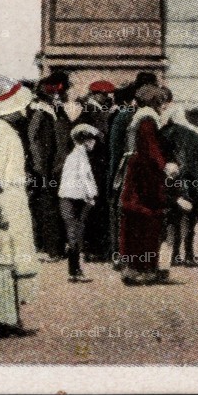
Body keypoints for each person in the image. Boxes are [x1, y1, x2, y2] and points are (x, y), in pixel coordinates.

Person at [0, 77, 39, 337]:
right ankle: (2, 318)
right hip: (4, 201)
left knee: (1, 257)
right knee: (2, 258)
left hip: (4, 199)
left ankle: (3, 316)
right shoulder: (2, 132)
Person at [117, 84, 175, 285]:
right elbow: (152, 149)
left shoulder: (138, 117)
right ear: (155, 102)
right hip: (146, 177)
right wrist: (166, 166)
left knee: (132, 223)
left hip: (135, 175)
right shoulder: (148, 119)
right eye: (161, 102)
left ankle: (131, 268)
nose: (163, 106)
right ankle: (145, 269)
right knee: (148, 222)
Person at [25, 73, 73, 263]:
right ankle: (49, 249)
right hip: (46, 169)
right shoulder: (41, 112)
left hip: (55, 168)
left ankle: (54, 247)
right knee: (47, 207)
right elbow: (36, 143)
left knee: (52, 207)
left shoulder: (54, 110)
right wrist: (41, 170)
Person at [162, 106, 198, 266]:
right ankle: (188, 254)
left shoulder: (168, 132)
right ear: (194, 118)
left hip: (174, 181)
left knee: (175, 220)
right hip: (191, 182)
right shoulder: (193, 137)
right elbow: (197, 166)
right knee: (190, 221)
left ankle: (176, 255)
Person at [76, 81, 116, 262]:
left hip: (95, 164)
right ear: (98, 95)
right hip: (95, 165)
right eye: (105, 95)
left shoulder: (92, 110)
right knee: (96, 206)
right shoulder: (92, 111)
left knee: (95, 206)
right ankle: (94, 250)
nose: (107, 98)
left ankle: (93, 249)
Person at [58, 124, 101, 283]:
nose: (94, 143)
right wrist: (91, 195)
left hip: (66, 198)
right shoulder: (80, 156)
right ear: (86, 140)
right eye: (92, 140)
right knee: (76, 234)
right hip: (75, 199)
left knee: (72, 233)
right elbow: (85, 178)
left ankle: (74, 270)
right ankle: (75, 270)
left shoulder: (73, 155)